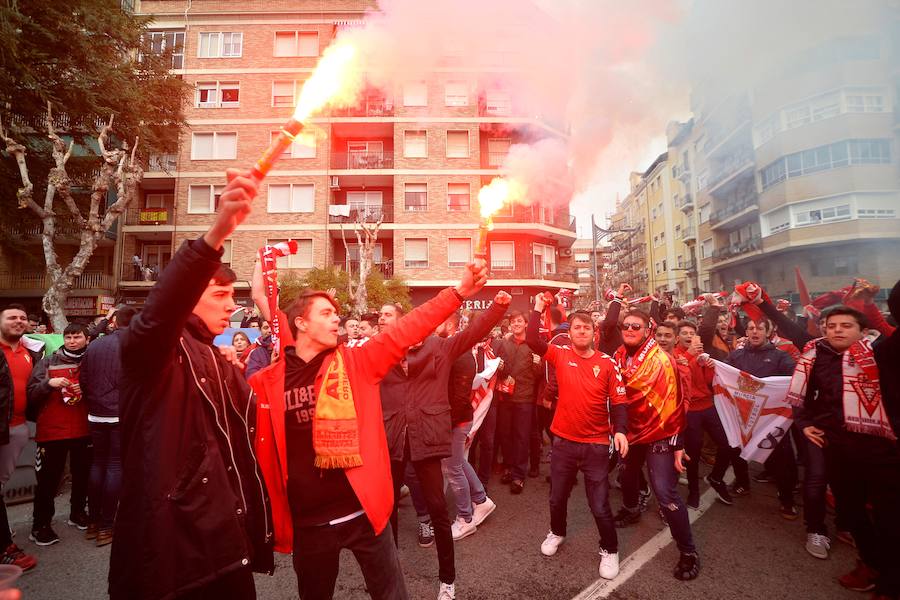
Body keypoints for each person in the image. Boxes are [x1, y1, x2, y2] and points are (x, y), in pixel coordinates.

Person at [250, 256, 489, 600]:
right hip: (309, 525)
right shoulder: (268, 380)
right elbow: (284, 340)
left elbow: (409, 328)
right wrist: (262, 297)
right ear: (301, 323)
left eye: (337, 314)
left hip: (365, 513)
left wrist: (459, 291)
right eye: (326, 314)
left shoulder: (358, 362)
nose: (338, 320)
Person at [110, 169, 274, 600]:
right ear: (188, 298)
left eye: (234, 295)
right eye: (220, 295)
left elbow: (253, 421)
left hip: (224, 536)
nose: (231, 306)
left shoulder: (215, 356)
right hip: (174, 546)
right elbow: (160, 312)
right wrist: (217, 231)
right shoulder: (152, 349)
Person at [380, 293, 508, 598]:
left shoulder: (439, 348)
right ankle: (390, 573)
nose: (382, 320)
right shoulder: (381, 352)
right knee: (387, 511)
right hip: (394, 440)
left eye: (388, 315)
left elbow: (474, 332)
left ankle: (447, 581)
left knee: (437, 508)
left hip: (427, 441)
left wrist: (498, 306)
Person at [788, 305, 900, 598]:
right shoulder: (816, 355)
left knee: (888, 518)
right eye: (832, 325)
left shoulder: (883, 354)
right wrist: (804, 423)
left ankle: (890, 580)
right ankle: (871, 565)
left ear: (864, 332)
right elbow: (803, 397)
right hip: (837, 447)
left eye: (846, 325)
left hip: (881, 451)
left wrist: (871, 304)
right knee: (850, 512)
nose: (837, 330)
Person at [526, 299, 628, 580]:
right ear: (569, 333)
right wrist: (537, 308)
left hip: (596, 445)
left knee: (599, 504)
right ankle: (557, 532)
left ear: (594, 333)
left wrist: (619, 430)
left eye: (586, 328)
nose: (581, 331)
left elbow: (619, 401)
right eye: (576, 327)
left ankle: (609, 548)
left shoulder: (607, 363)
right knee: (557, 498)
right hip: (564, 443)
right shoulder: (559, 354)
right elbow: (533, 339)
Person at [613, 310, 699, 580]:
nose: (629, 329)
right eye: (625, 325)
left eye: (635, 326)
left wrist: (677, 444)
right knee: (626, 475)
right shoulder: (618, 356)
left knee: (665, 492)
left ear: (646, 329)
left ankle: (688, 551)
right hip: (631, 433)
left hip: (661, 433)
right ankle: (631, 509)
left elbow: (675, 408)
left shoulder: (662, 361)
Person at [26, 323, 92, 546]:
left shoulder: (91, 361)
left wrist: (88, 388)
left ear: (87, 339)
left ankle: (77, 513)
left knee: (82, 476)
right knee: (48, 481)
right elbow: (32, 393)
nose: (72, 341)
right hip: (52, 431)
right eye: (69, 337)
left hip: (84, 429)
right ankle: (41, 525)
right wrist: (48, 383)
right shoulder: (47, 361)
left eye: (77, 337)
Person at [79, 306, 136, 546]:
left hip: (96, 412)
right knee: (114, 466)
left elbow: (83, 378)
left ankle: (93, 522)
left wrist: (94, 399)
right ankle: (105, 525)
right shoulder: (132, 345)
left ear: (114, 322)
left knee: (98, 464)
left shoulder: (94, 345)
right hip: (120, 413)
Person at [441, 313, 498, 542]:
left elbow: (458, 397)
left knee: (453, 468)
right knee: (458, 463)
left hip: (456, 420)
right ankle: (482, 500)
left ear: (449, 324)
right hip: (454, 419)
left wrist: (446, 423)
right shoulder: (454, 350)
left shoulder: (461, 354)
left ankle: (465, 518)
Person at [674, 320, 736, 509]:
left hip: (708, 406)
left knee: (728, 445)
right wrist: (691, 356)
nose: (688, 336)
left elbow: (708, 381)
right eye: (684, 333)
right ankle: (694, 491)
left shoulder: (701, 354)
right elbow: (679, 378)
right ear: (677, 337)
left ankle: (716, 478)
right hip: (690, 411)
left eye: (692, 333)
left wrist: (709, 365)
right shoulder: (674, 356)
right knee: (693, 453)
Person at [0, 305, 39, 570]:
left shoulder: (29, 352)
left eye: (22, 318)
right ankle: (5, 548)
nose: (18, 321)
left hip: (17, 429)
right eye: (11, 317)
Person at [494, 310, 539, 494]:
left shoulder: (533, 344)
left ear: (526, 323)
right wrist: (502, 369)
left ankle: (519, 475)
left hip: (525, 397)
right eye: (513, 321)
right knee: (506, 434)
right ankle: (509, 467)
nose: (516, 324)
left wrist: (537, 364)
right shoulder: (505, 343)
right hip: (506, 396)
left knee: (521, 437)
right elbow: (502, 370)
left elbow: (538, 376)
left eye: (519, 321)